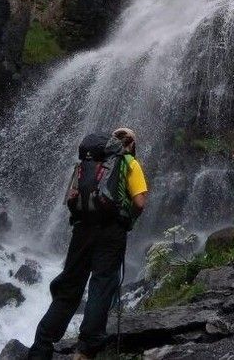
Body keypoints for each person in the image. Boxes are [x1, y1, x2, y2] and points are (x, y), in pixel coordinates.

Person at [28, 127, 148, 360]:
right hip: (111, 232)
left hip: (82, 231)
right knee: (101, 286)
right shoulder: (129, 162)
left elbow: (71, 198)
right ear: (131, 143)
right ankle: (85, 349)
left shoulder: (86, 164)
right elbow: (140, 202)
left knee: (69, 288)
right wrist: (126, 218)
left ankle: (41, 347)